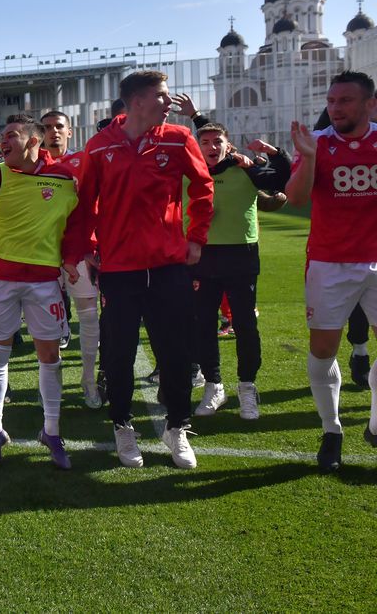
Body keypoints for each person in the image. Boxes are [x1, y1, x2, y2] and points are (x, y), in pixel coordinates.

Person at [64, 70, 213, 469]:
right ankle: (122, 425)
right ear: (137, 101)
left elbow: (202, 187)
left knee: (176, 352)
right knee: (118, 354)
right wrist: (85, 249)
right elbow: (84, 207)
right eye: (162, 95)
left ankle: (177, 427)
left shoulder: (178, 138)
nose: (169, 102)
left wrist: (196, 237)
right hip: (121, 270)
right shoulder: (98, 147)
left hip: (169, 267)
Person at [0, 115, 85, 469]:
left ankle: (51, 431)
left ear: (34, 141)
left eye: (11, 136)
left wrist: (70, 259)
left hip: (44, 283)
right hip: (1, 282)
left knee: (50, 357)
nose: (3, 142)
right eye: (2, 136)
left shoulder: (65, 177)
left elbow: (78, 224)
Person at [286, 70, 377, 470]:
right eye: (332, 101)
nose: (336, 108)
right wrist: (307, 158)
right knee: (323, 351)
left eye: (346, 101)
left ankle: (375, 425)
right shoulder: (317, 144)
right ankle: (332, 428)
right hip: (329, 264)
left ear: (369, 104)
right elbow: (296, 198)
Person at [188, 124, 290, 420]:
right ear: (198, 146)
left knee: (245, 325)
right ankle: (214, 385)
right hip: (200, 256)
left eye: (216, 141)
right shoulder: (190, 172)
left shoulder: (245, 169)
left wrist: (273, 153)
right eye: (204, 141)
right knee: (203, 325)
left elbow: (282, 178)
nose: (211, 146)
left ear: (227, 144)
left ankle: (247, 387)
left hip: (240, 255)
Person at [41, 109, 102, 408]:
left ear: (70, 131)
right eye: (47, 127)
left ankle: (88, 380)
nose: (53, 132)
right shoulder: (33, 166)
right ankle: (52, 387)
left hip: (78, 252)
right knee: (47, 325)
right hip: (40, 254)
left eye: (58, 127)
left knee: (89, 315)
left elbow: (92, 209)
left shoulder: (84, 162)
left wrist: (88, 248)